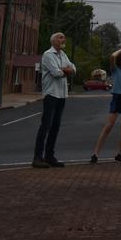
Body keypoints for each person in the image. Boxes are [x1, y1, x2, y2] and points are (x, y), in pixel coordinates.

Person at [90, 45, 121, 164]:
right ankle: (95, 153)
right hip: (117, 97)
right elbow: (112, 56)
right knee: (109, 126)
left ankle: (119, 153)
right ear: (120, 59)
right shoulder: (115, 69)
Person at [32, 32, 76, 168]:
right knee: (46, 126)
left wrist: (66, 70)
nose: (63, 39)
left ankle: (49, 156)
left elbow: (74, 69)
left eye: (64, 37)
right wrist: (65, 70)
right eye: (60, 37)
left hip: (62, 95)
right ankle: (37, 158)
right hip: (51, 94)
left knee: (55, 127)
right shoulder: (48, 55)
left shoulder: (63, 55)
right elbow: (56, 73)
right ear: (53, 41)